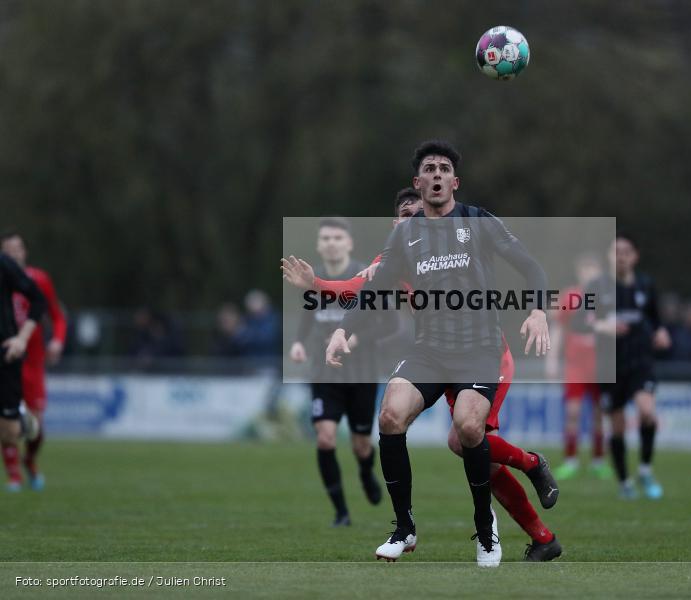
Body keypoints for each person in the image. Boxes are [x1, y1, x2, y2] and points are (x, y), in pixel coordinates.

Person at [282, 187, 562, 561]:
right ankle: (542, 537)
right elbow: (360, 289)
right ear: (396, 223)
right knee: (464, 446)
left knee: (465, 441)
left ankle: (528, 472)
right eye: (408, 216)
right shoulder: (394, 256)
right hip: (435, 355)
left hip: (485, 354)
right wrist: (317, 285)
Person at [290, 217, 383, 527]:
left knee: (360, 444)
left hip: (361, 374)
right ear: (319, 244)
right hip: (324, 373)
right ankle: (341, 512)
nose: (331, 242)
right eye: (325, 238)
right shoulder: (312, 279)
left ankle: (367, 470)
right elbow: (308, 316)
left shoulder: (365, 276)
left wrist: (355, 338)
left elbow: (384, 323)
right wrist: (299, 343)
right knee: (326, 439)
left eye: (337, 237)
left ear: (349, 242)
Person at [589, 234, 671, 500]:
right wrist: (605, 326)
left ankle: (645, 470)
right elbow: (585, 321)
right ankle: (625, 481)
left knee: (647, 412)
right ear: (609, 256)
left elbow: (656, 320)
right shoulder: (598, 286)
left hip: (640, 362)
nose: (621, 256)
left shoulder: (646, 286)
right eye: (616, 251)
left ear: (635, 256)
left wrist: (661, 333)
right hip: (610, 364)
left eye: (626, 251)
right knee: (618, 426)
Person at [1, 231, 63, 492]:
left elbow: (53, 313)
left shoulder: (32, 278)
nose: (15, 253)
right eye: (10, 249)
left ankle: (28, 453)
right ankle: (14, 476)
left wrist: (55, 340)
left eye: (19, 248)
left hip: (24, 357)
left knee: (20, 430)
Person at [546, 253, 610, 480]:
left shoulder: (606, 298)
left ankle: (598, 460)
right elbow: (559, 329)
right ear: (579, 273)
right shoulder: (569, 297)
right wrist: (552, 359)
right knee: (572, 412)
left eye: (592, 271)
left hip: (600, 364)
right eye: (585, 271)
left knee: (600, 413)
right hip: (575, 364)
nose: (588, 275)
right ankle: (571, 460)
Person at [0, 249, 47, 492]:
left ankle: (18, 416)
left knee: (9, 435)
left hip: (5, 354)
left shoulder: (4, 265)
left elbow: (38, 299)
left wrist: (22, 338)